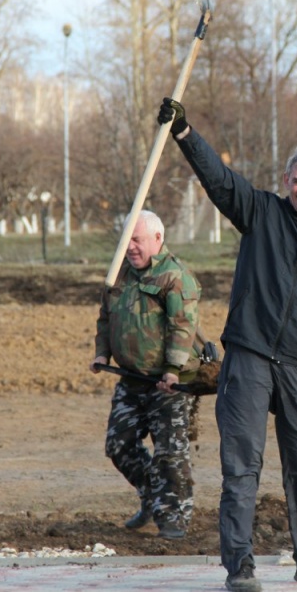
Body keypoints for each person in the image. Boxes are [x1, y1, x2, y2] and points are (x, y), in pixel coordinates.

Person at [158, 98, 297, 591]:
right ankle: (240, 567)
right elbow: (219, 180)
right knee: (241, 469)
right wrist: (184, 133)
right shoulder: (260, 212)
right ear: (287, 181)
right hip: (249, 358)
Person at [91, 210, 201, 540]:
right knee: (118, 445)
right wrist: (102, 352)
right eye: (127, 241)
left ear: (157, 239)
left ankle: (174, 517)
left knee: (170, 451)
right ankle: (152, 497)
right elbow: (105, 319)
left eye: (136, 240)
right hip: (131, 379)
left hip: (169, 382)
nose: (131, 248)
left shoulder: (175, 276)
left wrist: (171, 370)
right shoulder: (119, 275)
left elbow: (182, 326)